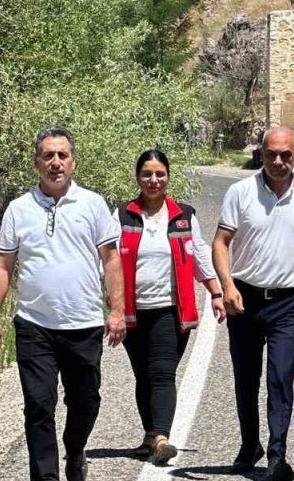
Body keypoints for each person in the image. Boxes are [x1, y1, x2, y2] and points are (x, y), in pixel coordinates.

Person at [0, 128, 126, 481]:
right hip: (34, 326)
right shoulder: (19, 209)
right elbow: (3, 266)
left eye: (62, 156)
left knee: (86, 402)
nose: (55, 163)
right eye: (48, 156)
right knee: (38, 407)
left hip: (84, 324)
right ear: (37, 163)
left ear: (73, 162)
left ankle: (75, 450)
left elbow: (111, 259)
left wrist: (117, 311)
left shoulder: (93, 205)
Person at [212, 126, 294, 481]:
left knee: (281, 379)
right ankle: (249, 443)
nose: (278, 161)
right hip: (245, 299)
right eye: (271, 155)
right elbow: (221, 243)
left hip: (288, 303)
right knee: (246, 379)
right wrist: (227, 286)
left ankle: (277, 456)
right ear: (261, 154)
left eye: (286, 155)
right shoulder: (240, 192)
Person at [117, 149, 225, 464]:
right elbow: (108, 261)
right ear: (138, 178)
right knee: (143, 376)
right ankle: (150, 435)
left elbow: (199, 255)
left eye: (160, 174)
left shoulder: (183, 215)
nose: (154, 180)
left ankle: (163, 438)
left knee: (162, 373)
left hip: (170, 309)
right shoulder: (122, 214)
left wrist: (215, 291)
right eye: (147, 174)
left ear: (168, 177)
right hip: (132, 310)